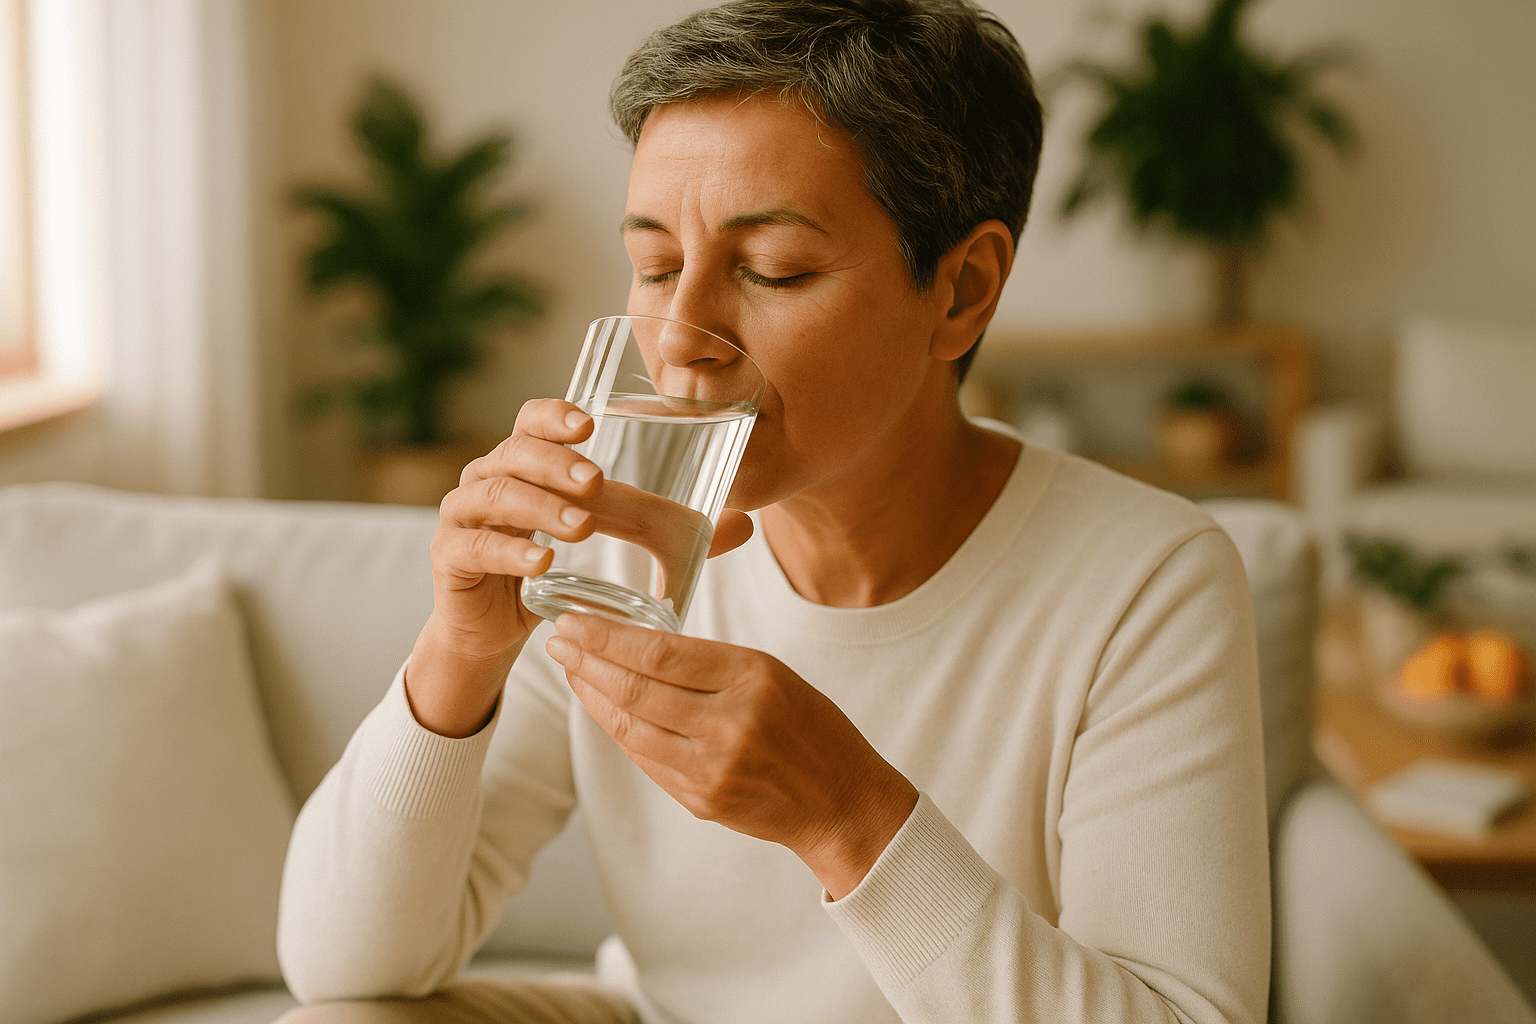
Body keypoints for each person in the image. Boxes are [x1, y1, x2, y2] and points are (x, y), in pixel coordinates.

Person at [276, 1, 1271, 1022]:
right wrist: (461, 652)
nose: (679, 338)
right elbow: (341, 966)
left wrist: (848, 814)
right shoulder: (616, 548)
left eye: (771, 269)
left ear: (962, 291)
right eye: (658, 265)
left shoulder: (1147, 581)